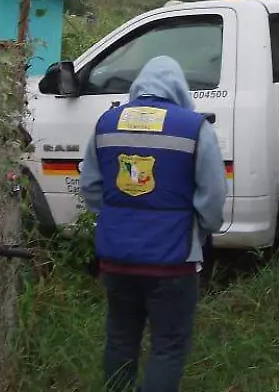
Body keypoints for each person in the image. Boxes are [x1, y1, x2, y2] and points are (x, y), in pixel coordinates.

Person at [79, 56, 227, 392]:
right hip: (173, 262)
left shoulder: (106, 124)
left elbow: (90, 186)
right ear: (178, 88)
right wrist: (200, 229)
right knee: (168, 346)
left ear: (138, 86)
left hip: (116, 258)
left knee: (120, 338)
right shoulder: (194, 127)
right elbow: (213, 196)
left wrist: (119, 215)